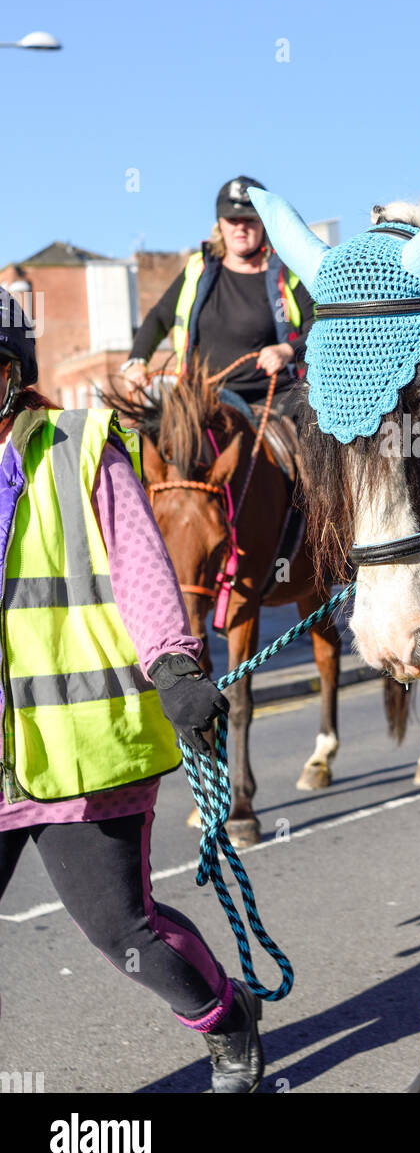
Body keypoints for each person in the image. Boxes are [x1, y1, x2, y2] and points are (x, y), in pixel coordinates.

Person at [0, 289, 264, 1092]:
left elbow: (143, 567)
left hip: (83, 749)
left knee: (124, 930)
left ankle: (226, 1023)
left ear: (11, 374)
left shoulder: (79, 448)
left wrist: (176, 666)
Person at [122, 175, 313, 420]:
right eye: (232, 220)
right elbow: (159, 318)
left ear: (264, 223)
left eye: (249, 220)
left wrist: (287, 350)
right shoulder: (197, 268)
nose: (240, 227)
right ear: (220, 224)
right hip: (202, 395)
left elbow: (320, 328)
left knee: (302, 442)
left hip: (274, 396)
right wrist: (137, 361)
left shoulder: (288, 272)